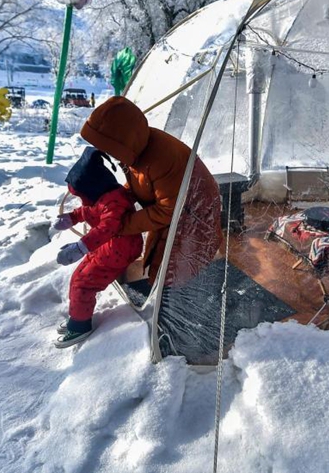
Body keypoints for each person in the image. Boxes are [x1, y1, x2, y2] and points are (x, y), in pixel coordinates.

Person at [79, 96, 222, 291]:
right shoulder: (135, 147)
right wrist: (117, 203)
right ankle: (166, 294)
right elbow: (141, 184)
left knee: (174, 266)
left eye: (107, 146)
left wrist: (121, 224)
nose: (106, 152)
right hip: (176, 209)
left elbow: (167, 210)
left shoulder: (161, 159)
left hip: (194, 211)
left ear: (120, 139)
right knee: (162, 259)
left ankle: (177, 305)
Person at [51, 146, 145, 348]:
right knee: (79, 275)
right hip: (111, 247)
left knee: (84, 282)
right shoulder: (104, 194)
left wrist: (80, 247)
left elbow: (107, 227)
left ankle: (80, 326)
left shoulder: (114, 203)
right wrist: (72, 218)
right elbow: (89, 209)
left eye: (82, 195)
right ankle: (77, 317)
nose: (82, 200)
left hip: (119, 249)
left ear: (93, 188)